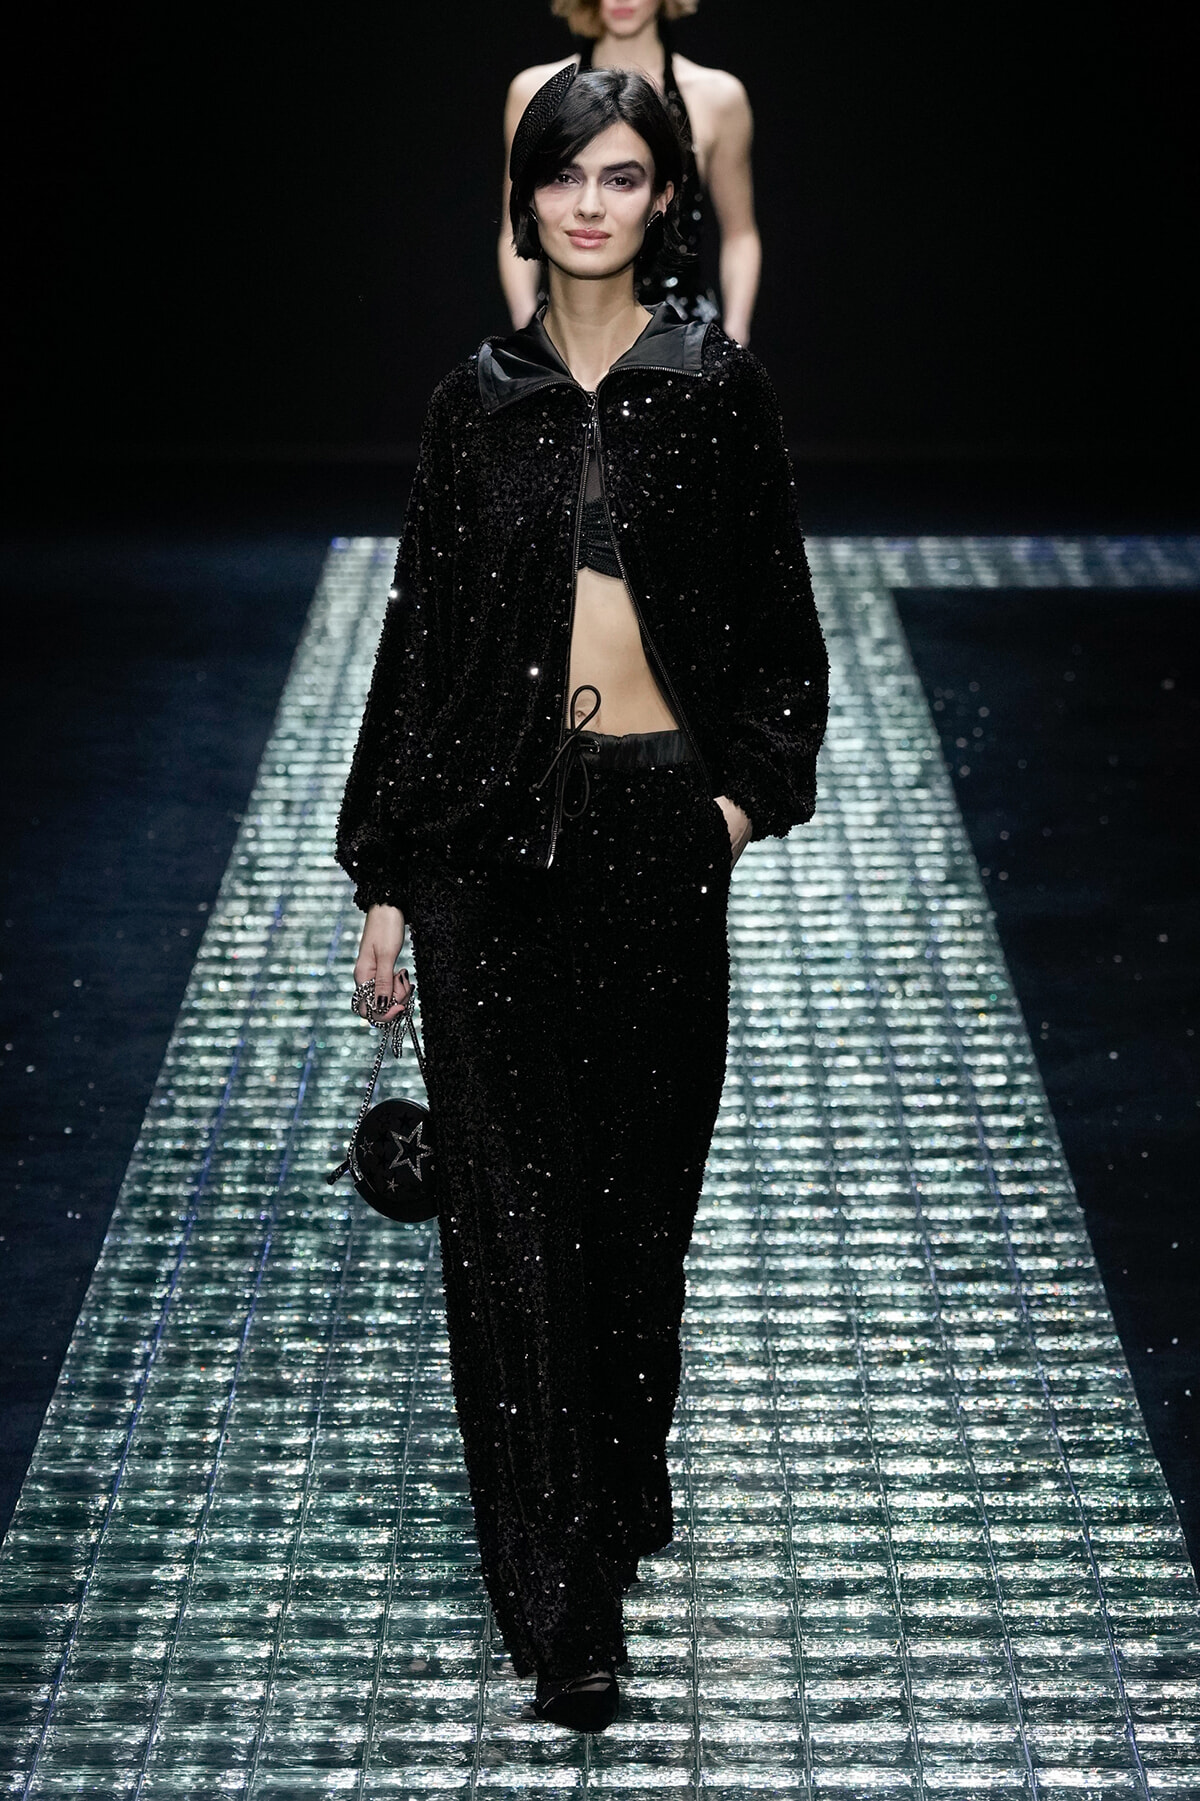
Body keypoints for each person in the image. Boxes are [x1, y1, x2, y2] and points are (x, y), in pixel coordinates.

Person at [337, 63, 826, 1732]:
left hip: (653, 831)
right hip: (486, 845)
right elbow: (420, 643)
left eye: (621, 176)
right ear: (527, 198)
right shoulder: (474, 403)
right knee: (510, 1228)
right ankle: (562, 1603)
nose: (590, 204)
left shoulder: (716, 392)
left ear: (665, 197)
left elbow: (781, 630)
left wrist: (737, 805)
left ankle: (616, 1475)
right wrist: (387, 875)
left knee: (635, 1213)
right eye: (565, 177)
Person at [500, 0, 760, 341]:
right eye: (565, 177)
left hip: (686, 335)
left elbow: (740, 234)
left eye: (622, 180)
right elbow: (515, 224)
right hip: (568, 333)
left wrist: (736, 337)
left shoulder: (718, 98)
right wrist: (528, 333)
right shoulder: (537, 92)